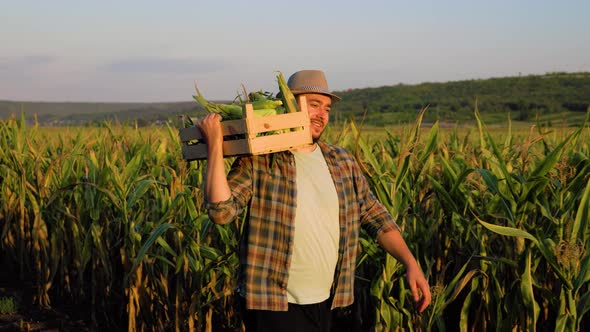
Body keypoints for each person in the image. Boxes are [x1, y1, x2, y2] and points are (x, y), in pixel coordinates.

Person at [197, 70, 431, 332]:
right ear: (288, 105)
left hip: (332, 301)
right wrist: (215, 145)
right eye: (314, 105)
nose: (322, 114)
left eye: (327, 108)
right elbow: (221, 212)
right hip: (273, 303)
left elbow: (376, 217)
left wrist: (411, 263)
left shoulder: (342, 161)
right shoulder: (262, 160)